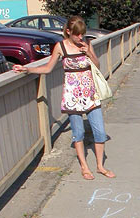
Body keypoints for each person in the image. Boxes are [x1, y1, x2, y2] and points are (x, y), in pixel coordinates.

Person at [13, 16, 115, 180]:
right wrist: (27, 70)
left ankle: (100, 166)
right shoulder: (60, 47)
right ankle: (84, 166)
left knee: (100, 132)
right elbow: (47, 68)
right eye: (77, 34)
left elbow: (97, 65)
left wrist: (88, 52)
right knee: (79, 133)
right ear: (68, 32)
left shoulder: (87, 44)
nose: (80, 37)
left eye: (82, 34)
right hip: (72, 96)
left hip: (90, 94)